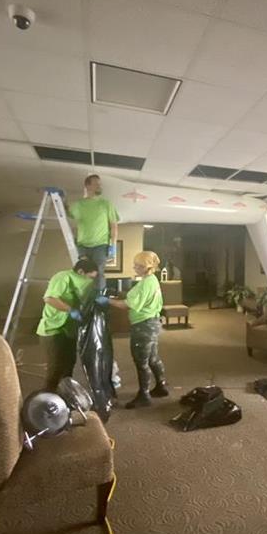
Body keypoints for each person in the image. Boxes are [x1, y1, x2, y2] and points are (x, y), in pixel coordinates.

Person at [102, 251, 168, 409]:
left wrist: (107, 301)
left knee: (141, 361)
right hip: (152, 323)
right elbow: (137, 296)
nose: (135, 267)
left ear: (148, 267)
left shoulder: (145, 283)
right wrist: (119, 294)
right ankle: (161, 386)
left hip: (143, 326)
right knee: (153, 358)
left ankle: (144, 396)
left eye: (138, 266)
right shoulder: (151, 280)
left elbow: (127, 305)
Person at [36, 258, 99, 391]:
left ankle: (66, 394)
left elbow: (87, 297)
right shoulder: (62, 278)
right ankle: (48, 398)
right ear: (81, 271)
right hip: (53, 328)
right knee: (56, 367)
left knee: (69, 363)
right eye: (89, 277)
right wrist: (70, 310)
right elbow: (49, 298)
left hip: (70, 328)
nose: (91, 280)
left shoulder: (86, 282)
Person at [67, 174, 119, 292]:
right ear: (87, 186)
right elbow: (67, 212)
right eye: (96, 184)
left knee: (98, 272)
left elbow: (114, 226)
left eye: (100, 184)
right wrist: (61, 200)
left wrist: (113, 245)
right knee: (81, 271)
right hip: (82, 245)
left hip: (100, 245)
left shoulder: (106, 204)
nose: (99, 186)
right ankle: (81, 295)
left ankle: (99, 298)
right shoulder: (79, 204)